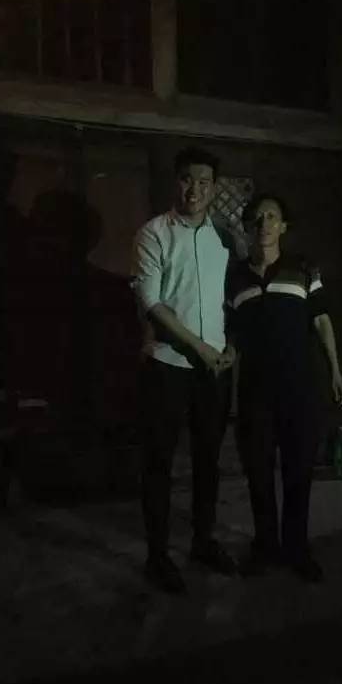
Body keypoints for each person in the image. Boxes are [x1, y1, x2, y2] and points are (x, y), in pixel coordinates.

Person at [225, 194, 342, 583]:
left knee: (299, 472)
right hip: (255, 392)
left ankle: (297, 549)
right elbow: (233, 334)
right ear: (249, 227)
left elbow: (322, 320)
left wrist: (335, 369)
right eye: (257, 218)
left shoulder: (303, 268)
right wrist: (224, 358)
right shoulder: (235, 278)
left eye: (272, 217)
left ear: (283, 226)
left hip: (300, 388)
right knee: (259, 472)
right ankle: (265, 546)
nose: (264, 224)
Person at [131, 147, 236, 594]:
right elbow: (152, 304)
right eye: (188, 179)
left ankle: (202, 541)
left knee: (208, 459)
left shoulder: (223, 237)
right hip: (168, 366)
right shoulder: (154, 233)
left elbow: (231, 297)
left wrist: (230, 347)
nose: (195, 189)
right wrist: (200, 348)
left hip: (215, 369)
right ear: (176, 182)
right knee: (159, 462)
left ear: (214, 188)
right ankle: (157, 556)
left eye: (204, 182)